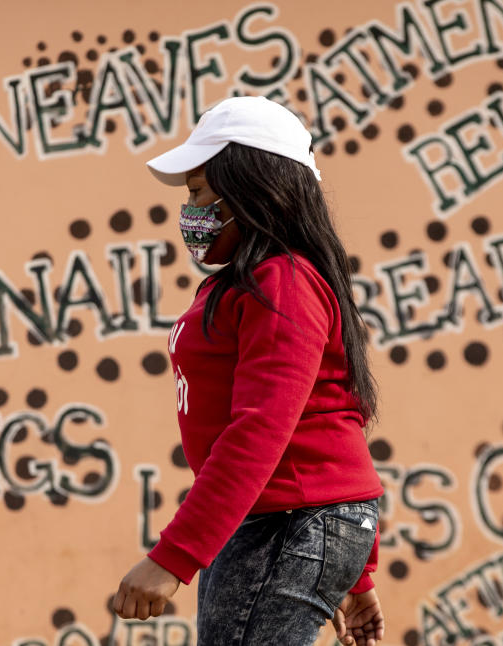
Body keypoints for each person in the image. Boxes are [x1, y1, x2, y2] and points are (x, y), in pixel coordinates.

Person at [112, 96, 387, 646]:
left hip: (286, 524)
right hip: (283, 521)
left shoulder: (281, 280)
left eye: (196, 192)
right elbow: (327, 420)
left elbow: (263, 429)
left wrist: (172, 558)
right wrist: (356, 574)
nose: (189, 210)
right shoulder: (251, 282)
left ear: (254, 190)